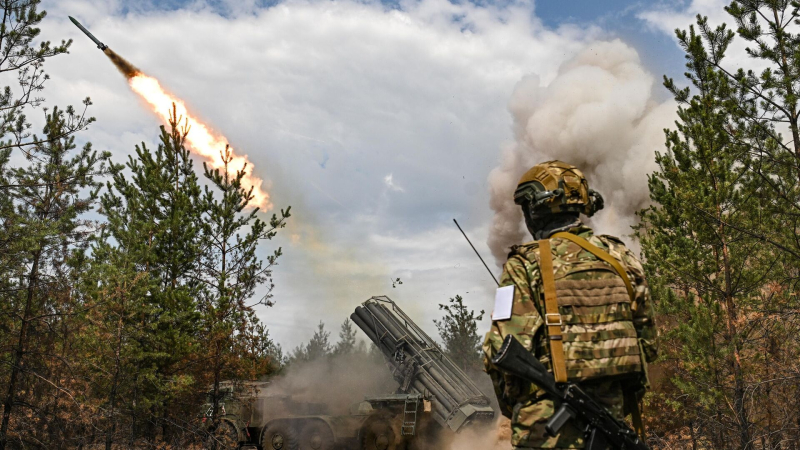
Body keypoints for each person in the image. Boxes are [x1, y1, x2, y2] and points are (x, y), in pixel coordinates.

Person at [483, 160, 657, 449]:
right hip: (609, 426)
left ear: (534, 211)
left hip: (545, 431)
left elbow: (500, 352)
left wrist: (516, 407)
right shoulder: (621, 257)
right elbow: (647, 346)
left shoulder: (524, 264)